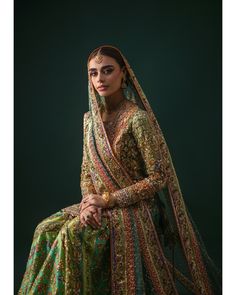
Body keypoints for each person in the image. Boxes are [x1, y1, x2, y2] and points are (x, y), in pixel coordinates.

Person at [18, 45, 221, 294]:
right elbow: (86, 171)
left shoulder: (137, 119)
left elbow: (158, 177)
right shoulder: (89, 121)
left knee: (71, 235)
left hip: (136, 208)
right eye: (93, 73)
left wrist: (107, 200)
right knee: (44, 230)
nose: (100, 79)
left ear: (123, 73)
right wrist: (89, 204)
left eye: (107, 71)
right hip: (99, 205)